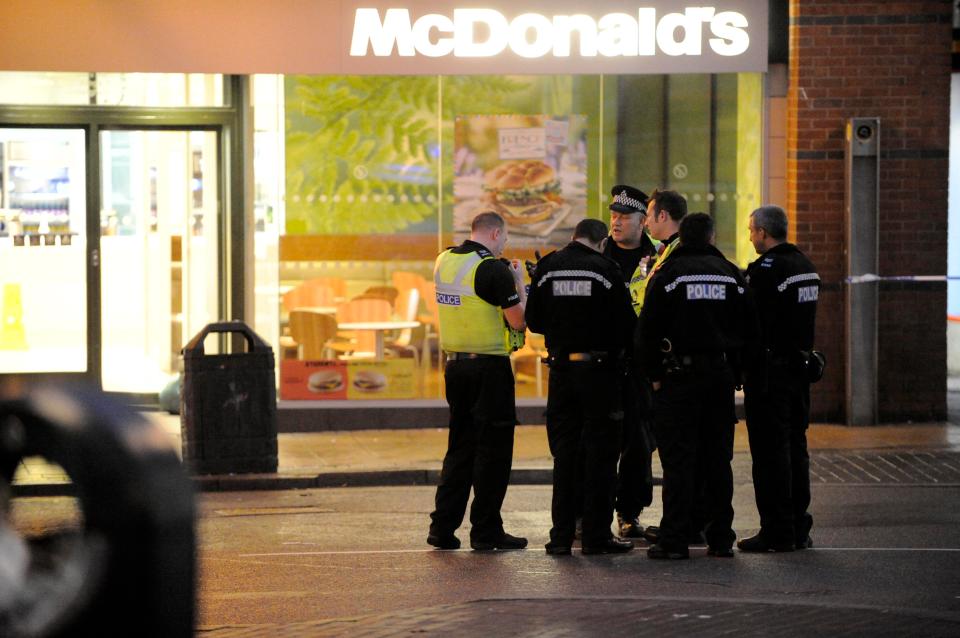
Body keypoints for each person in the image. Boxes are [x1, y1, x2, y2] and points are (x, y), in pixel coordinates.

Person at [636, 212, 754, 560]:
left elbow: (646, 333)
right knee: (718, 460)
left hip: (677, 379)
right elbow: (751, 329)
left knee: (678, 461)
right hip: (717, 379)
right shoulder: (732, 275)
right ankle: (720, 538)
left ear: (682, 239)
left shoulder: (668, 275)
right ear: (712, 237)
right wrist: (737, 374)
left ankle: (674, 539)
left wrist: (655, 375)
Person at [526, 218, 636, 555]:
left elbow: (534, 321)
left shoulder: (548, 268)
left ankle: (560, 537)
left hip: (561, 371)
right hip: (600, 372)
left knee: (565, 455)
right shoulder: (606, 270)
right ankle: (595, 537)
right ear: (602, 242)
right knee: (601, 456)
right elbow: (625, 324)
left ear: (574, 237)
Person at [427, 211, 528, 552]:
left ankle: (442, 527)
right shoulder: (492, 269)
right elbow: (518, 323)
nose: (505, 244)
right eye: (505, 238)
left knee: (460, 448)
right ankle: (486, 529)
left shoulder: (445, 260)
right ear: (496, 233)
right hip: (489, 370)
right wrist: (519, 283)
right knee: (494, 452)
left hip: (455, 368)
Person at [738, 205, 820, 553]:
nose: (750, 236)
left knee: (771, 454)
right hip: (798, 371)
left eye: (751, 230)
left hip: (770, 375)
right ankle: (799, 525)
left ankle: (776, 530)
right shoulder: (805, 266)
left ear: (762, 232)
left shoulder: (767, 270)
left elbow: (751, 321)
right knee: (796, 449)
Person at [602, 185, 657, 540]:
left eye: (624, 217)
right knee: (599, 441)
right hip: (602, 363)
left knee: (638, 444)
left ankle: (629, 511)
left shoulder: (657, 260)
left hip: (638, 366)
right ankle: (591, 511)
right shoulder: (598, 253)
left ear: (643, 221)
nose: (616, 222)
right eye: (613, 215)